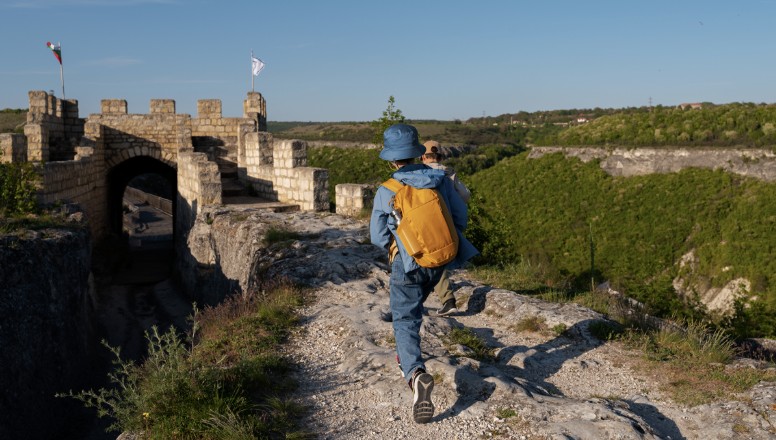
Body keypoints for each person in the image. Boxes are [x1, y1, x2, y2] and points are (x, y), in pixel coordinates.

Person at [370, 123, 478, 424]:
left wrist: (400, 243)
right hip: (442, 260)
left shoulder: (387, 190)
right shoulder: (440, 179)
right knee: (416, 303)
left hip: (407, 263)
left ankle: (415, 372)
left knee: (405, 319)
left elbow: (378, 237)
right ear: (418, 153)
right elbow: (460, 216)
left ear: (392, 160)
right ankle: (408, 356)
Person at [421, 140, 471, 316]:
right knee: (437, 260)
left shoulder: (420, 175)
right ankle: (434, 298)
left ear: (422, 157)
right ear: (440, 156)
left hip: (427, 222)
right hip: (448, 221)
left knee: (431, 260)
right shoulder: (449, 174)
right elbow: (465, 195)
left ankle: (447, 300)